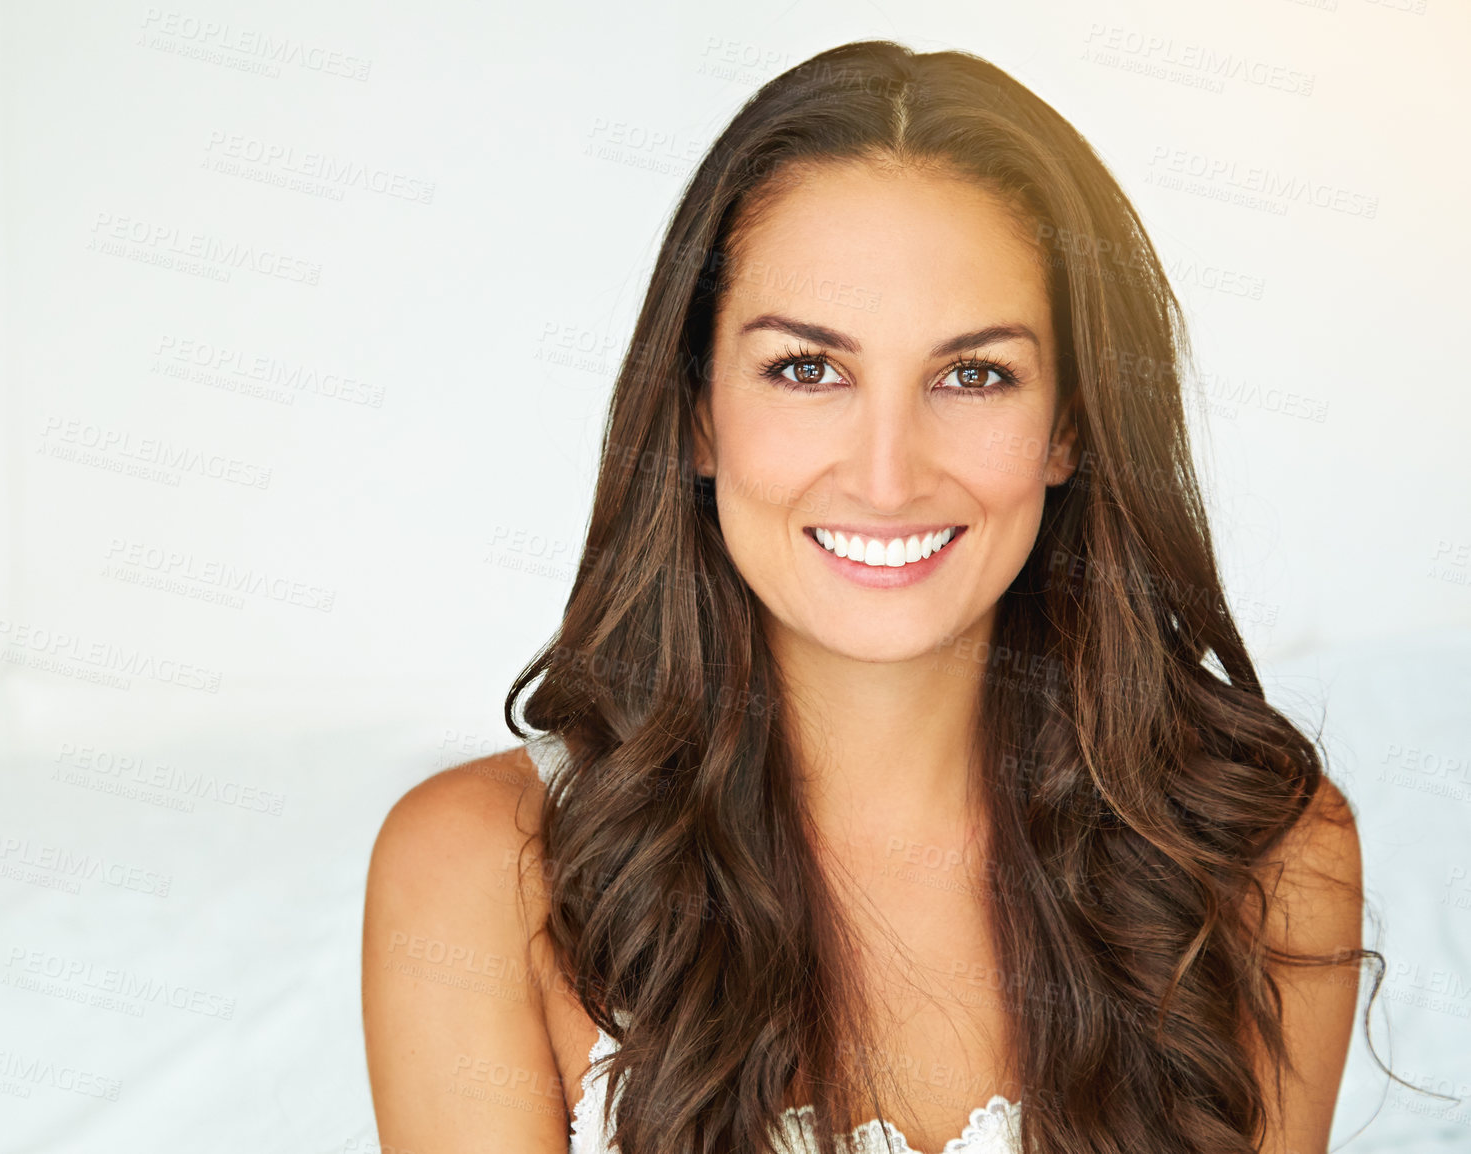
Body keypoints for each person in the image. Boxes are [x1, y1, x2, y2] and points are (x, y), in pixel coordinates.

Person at [363, 38, 1383, 1154]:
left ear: (1068, 426)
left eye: (972, 374)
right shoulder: (478, 877)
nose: (888, 474)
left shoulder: (1267, 857)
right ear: (698, 411)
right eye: (807, 369)